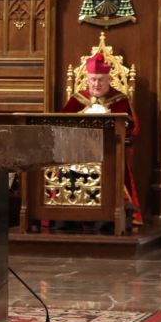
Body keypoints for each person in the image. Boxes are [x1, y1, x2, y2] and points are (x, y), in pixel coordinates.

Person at [61, 53, 141, 225]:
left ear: (109, 79)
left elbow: (133, 128)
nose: (96, 84)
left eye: (100, 80)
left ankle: (108, 215)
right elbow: (62, 126)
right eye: (93, 79)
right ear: (87, 79)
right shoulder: (77, 100)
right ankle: (71, 214)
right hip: (78, 152)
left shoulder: (120, 100)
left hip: (109, 151)